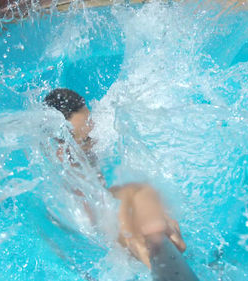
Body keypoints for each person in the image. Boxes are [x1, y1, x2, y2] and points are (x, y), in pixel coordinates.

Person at [44, 88, 186, 268]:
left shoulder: (83, 147)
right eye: (85, 132)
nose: (93, 126)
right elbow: (92, 217)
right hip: (89, 228)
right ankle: (145, 247)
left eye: (89, 119)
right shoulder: (66, 158)